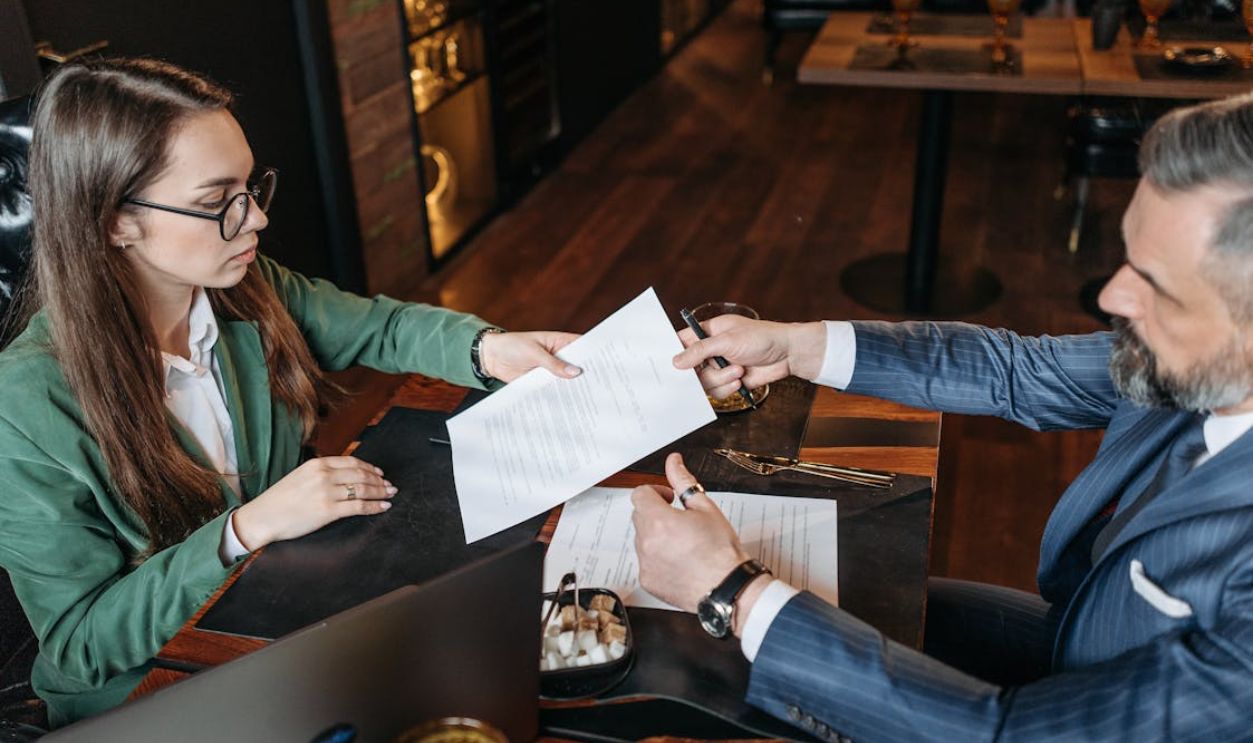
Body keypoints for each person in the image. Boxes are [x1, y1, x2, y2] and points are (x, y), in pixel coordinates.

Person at [633, 92, 1253, 741]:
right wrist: (796, 346)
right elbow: (1017, 370)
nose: (1112, 295)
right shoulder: (1198, 361)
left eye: (1156, 284)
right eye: (1127, 257)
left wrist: (732, 593)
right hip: (1080, 638)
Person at [0, 57, 580, 727]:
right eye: (216, 202)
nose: (254, 220)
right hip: (153, 690)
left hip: (279, 613)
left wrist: (490, 348)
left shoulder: (245, 290)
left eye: (250, 187)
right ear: (113, 221)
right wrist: (246, 528)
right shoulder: (23, 406)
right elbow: (81, 643)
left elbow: (384, 327)